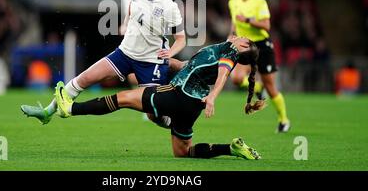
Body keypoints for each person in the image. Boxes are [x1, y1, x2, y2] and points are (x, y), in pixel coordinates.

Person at [21, 0, 208, 125]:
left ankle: (175, 123)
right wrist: (127, 23)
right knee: (84, 78)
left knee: (153, 114)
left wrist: (170, 52)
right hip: (124, 53)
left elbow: (181, 38)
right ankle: (47, 112)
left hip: (150, 62)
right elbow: (132, 8)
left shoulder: (169, 7)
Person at [54, 36, 264, 159]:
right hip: (192, 106)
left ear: (243, 47)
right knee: (183, 152)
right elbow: (186, 66)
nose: (238, 36)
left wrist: (213, 97)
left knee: (123, 98)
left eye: (244, 39)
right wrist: (166, 59)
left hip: (178, 94)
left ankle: (70, 109)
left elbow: (224, 72)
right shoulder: (221, 50)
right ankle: (231, 148)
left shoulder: (231, 53)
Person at [228, 0, 290, 133]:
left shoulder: (259, 1)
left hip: (262, 45)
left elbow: (266, 25)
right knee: (235, 78)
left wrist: (248, 20)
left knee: (271, 86)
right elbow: (234, 24)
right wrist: (230, 37)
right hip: (245, 45)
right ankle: (257, 88)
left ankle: (283, 119)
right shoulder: (233, 2)